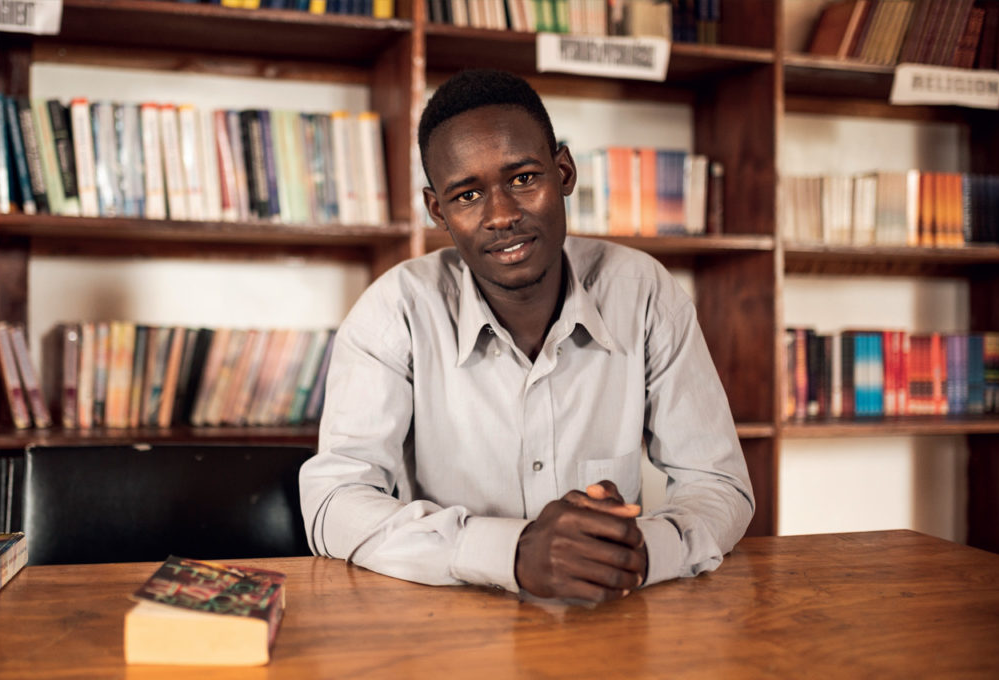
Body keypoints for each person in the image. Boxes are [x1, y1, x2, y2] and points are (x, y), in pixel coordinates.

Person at [299, 69, 753, 604]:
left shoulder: (645, 293)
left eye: (522, 179)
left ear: (563, 172)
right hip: (449, 626)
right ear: (437, 210)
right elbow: (333, 502)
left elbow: (719, 485)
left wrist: (637, 551)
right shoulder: (396, 311)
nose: (502, 216)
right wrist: (512, 552)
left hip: (607, 616)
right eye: (467, 195)